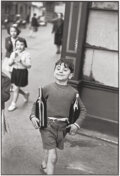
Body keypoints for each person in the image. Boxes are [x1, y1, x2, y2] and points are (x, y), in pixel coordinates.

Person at [30, 58, 87, 174]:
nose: (60, 71)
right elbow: (36, 104)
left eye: (65, 70)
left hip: (62, 128)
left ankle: (43, 163)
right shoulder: (47, 88)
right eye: (58, 68)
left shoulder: (73, 92)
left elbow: (83, 110)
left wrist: (76, 124)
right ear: (54, 72)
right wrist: (33, 116)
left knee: (50, 146)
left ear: (70, 75)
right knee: (53, 155)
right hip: (47, 125)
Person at [8, 37, 31, 111]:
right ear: (15, 45)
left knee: (16, 88)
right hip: (15, 71)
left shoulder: (27, 54)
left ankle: (13, 104)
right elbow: (9, 64)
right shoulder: (13, 53)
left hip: (22, 72)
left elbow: (29, 65)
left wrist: (21, 61)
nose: (19, 46)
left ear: (25, 45)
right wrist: (13, 61)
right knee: (15, 88)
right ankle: (25, 94)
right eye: (17, 45)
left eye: (21, 44)